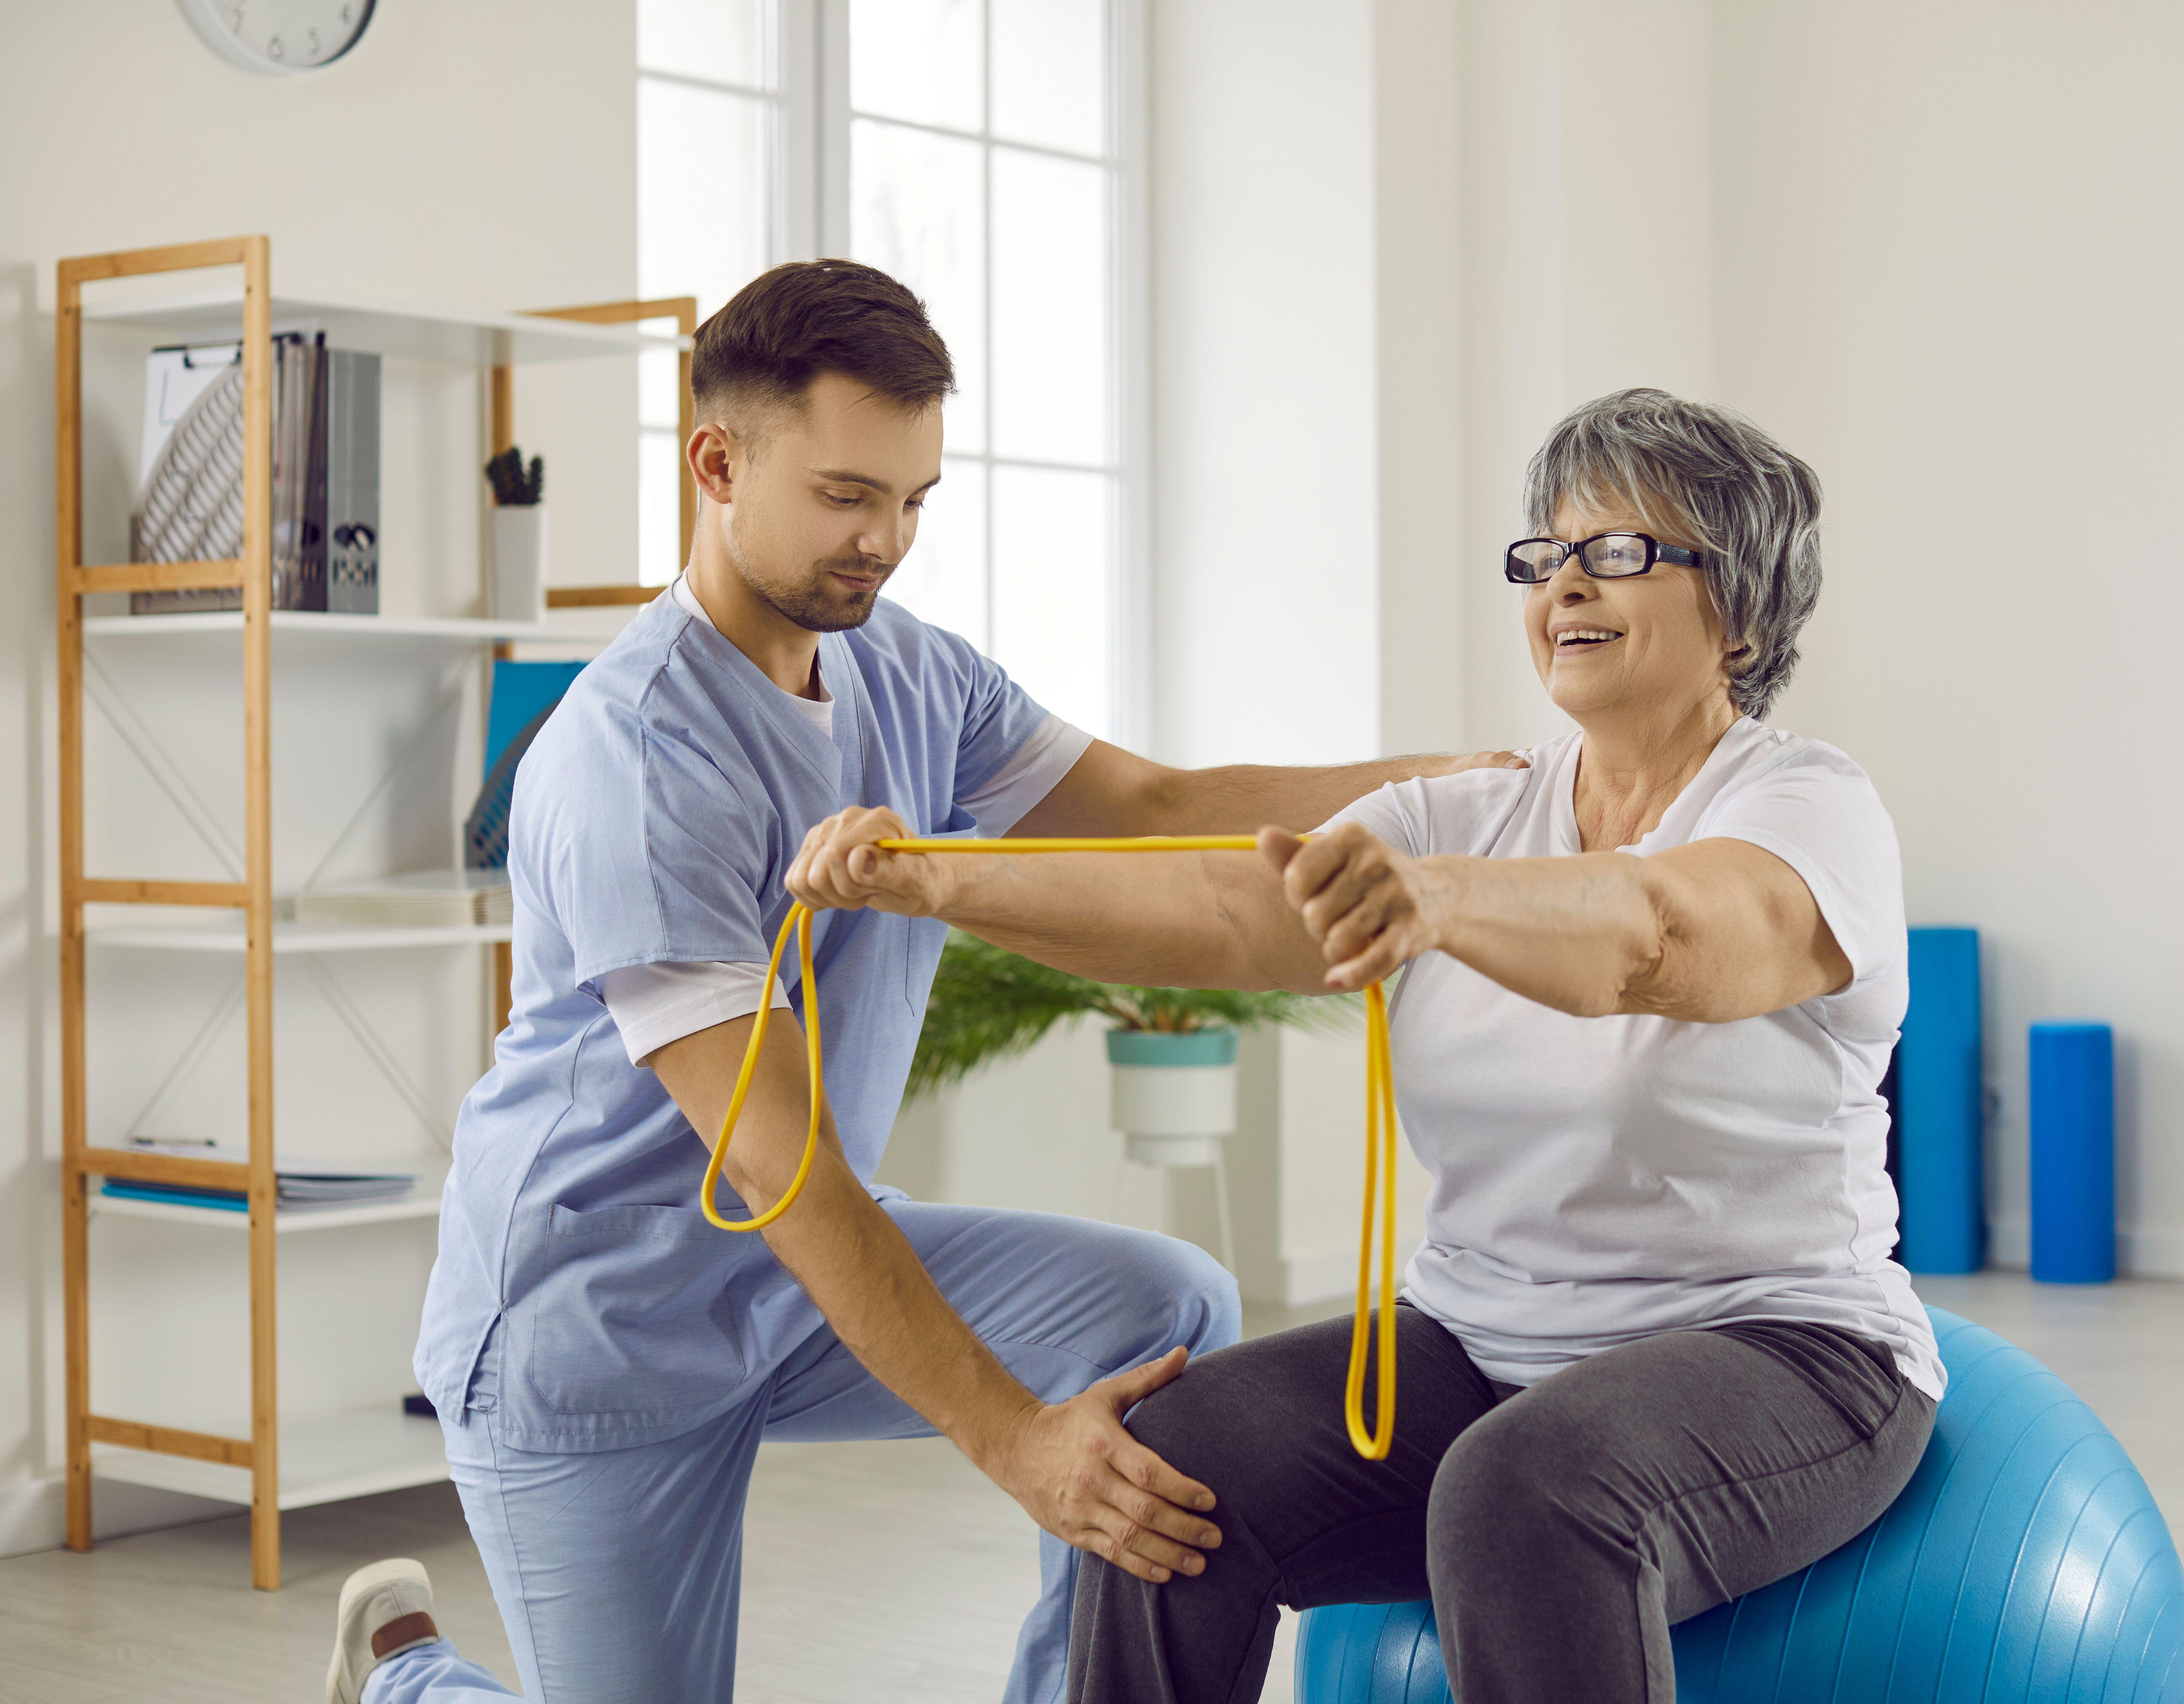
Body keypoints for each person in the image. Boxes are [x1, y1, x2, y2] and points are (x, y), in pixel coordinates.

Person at [327, 259, 1518, 1704]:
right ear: (718, 461)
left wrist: (1437, 789)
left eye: (913, 500)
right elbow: (780, 1166)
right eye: (845, 495)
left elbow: (1156, 806)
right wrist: (1020, 1445)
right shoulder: (637, 758)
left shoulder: (907, 671)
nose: (884, 540)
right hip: (595, 1328)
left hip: (786, 1283)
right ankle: (404, 1679)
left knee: (1165, 1309)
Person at [784, 388, 1942, 1704]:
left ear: (1736, 604)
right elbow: (1223, 909)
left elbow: (1662, 935)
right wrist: (942, 883)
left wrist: (1438, 899)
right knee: (1171, 1461)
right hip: (1481, 1337)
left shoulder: (1807, 805)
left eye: (1619, 550)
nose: (1566, 581)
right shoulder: (1467, 810)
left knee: (1527, 1486)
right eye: (1545, 554)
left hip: (1778, 1347)